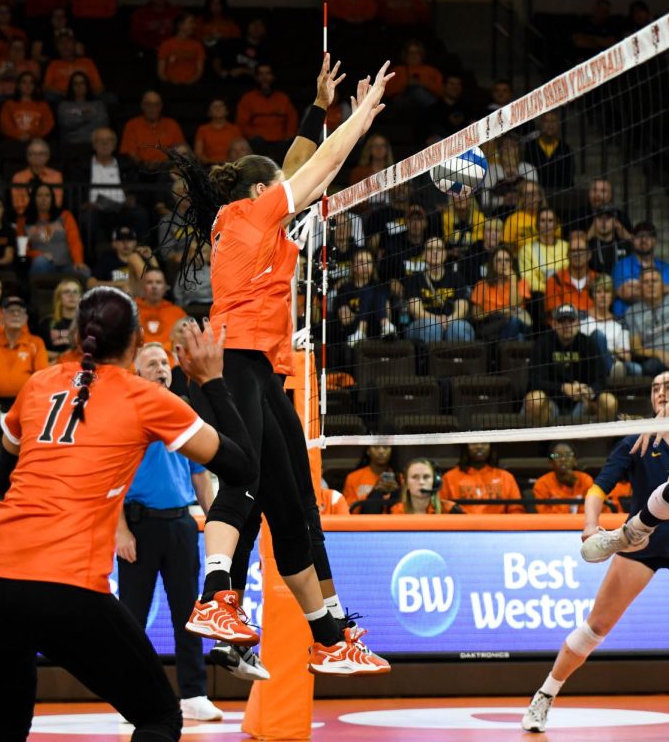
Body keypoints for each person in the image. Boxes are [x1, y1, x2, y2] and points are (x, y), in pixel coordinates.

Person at [167, 57, 394, 675]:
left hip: (264, 370)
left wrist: (319, 107)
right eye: (275, 187)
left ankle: (327, 636)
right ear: (256, 194)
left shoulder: (259, 218)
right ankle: (216, 601)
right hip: (233, 359)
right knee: (242, 481)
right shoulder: (244, 216)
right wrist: (361, 115)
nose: (284, 190)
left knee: (295, 504)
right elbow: (315, 170)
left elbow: (295, 166)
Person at [0, 285, 261, 742]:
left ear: (79, 335)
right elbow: (242, 467)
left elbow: (0, 480)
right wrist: (213, 381)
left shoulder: (39, 383)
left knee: (0, 726)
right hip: (66, 584)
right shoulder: (146, 397)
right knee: (159, 718)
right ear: (137, 344)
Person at [521, 371, 669, 733]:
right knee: (594, 628)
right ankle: (545, 695)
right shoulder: (638, 441)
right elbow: (598, 489)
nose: (662, 393)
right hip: (639, 545)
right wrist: (589, 525)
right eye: (655, 388)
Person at [115, 342, 223, 723]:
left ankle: (193, 693)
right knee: (132, 618)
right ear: (136, 372)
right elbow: (111, 479)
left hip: (180, 524)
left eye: (164, 362)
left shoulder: (183, 409)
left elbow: (200, 476)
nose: (161, 368)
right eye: (151, 363)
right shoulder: (125, 413)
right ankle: (132, 696)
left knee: (188, 614)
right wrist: (120, 530)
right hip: (138, 526)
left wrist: (216, 521)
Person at [531, 303, 619, 422]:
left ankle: (600, 441)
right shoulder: (542, 343)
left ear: (578, 323)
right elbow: (535, 381)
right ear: (554, 324)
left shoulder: (589, 344)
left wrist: (589, 391)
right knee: (534, 399)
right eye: (562, 321)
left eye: (571, 321)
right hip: (551, 401)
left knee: (609, 401)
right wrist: (563, 388)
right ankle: (543, 440)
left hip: (582, 402)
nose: (567, 325)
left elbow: (601, 379)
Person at [0, 296, 48, 418]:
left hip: (27, 402)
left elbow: (41, 377)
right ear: (1, 317)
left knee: (39, 416)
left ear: (26, 318)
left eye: (20, 311)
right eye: (11, 311)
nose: (16, 314)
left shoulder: (36, 343)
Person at [611, 221, 669, 316]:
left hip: (662, 321)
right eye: (639, 236)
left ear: (655, 241)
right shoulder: (622, 265)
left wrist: (658, 288)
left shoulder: (664, 267)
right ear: (633, 240)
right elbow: (626, 293)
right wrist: (664, 291)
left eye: (648, 236)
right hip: (626, 321)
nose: (643, 240)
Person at [403, 236, 474, 343]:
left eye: (439, 249)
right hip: (422, 323)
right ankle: (428, 359)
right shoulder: (415, 279)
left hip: (451, 322)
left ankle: (457, 359)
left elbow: (462, 308)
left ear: (445, 254)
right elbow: (417, 312)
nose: (435, 252)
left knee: (458, 328)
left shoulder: (456, 277)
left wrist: (449, 320)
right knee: (432, 328)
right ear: (423, 255)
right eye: (430, 249)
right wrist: (438, 320)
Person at [18, 183, 90, 278]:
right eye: (40, 195)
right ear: (33, 199)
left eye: (47, 195)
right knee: (40, 262)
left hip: (66, 265)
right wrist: (39, 254)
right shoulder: (23, 221)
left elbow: (74, 241)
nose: (44, 199)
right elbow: (22, 251)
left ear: (52, 198)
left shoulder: (65, 216)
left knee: (84, 272)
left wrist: (78, 261)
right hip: (42, 265)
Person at [439, 443, 523, 514]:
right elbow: (438, 508)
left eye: (484, 443)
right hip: (461, 530)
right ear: (466, 447)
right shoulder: (449, 477)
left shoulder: (506, 477)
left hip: (498, 530)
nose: (479, 446)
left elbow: (516, 511)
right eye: (473, 443)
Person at [470, 246, 531, 341]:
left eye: (507, 260)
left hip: (514, 325)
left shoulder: (521, 283)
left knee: (514, 322)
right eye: (499, 260)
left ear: (511, 263)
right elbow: (476, 315)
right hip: (492, 326)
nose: (503, 263)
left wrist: (513, 281)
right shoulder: (482, 285)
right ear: (492, 264)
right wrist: (501, 312)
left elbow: (514, 306)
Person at [532, 443, 594, 514]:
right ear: (550, 463)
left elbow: (589, 512)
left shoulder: (586, 480)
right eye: (557, 455)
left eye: (568, 455)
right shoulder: (542, 484)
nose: (563, 459)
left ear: (575, 461)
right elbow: (545, 515)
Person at [390, 458, 461, 514]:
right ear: (406, 483)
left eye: (426, 477)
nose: (421, 482)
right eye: (415, 477)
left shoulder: (450, 510)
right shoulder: (396, 511)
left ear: (435, 481)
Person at [0, 72, 54, 143]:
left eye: (31, 83)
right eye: (24, 82)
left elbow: (48, 124)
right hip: (14, 141)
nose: (28, 85)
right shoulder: (9, 104)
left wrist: (33, 135)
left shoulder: (43, 105)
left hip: (37, 142)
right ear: (18, 86)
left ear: (35, 86)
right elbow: (5, 125)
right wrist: (19, 135)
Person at [341, 444, 398, 510]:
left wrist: (397, 492)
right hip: (363, 519)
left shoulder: (400, 477)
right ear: (368, 450)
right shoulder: (353, 477)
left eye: (386, 447)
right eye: (376, 447)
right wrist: (374, 492)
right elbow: (348, 508)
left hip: (393, 519)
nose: (381, 451)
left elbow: (407, 508)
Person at [36, 278, 81, 359]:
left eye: (75, 292)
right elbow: (37, 351)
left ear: (80, 297)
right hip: (54, 365)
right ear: (59, 297)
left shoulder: (87, 323)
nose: (72, 295)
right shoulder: (47, 322)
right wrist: (61, 356)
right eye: (67, 292)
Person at [158, 15, 206, 87]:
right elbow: (161, 72)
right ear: (180, 25)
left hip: (192, 86)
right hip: (170, 86)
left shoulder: (197, 45)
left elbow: (199, 72)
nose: (194, 26)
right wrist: (169, 82)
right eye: (191, 22)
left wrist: (189, 83)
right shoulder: (166, 44)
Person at [194, 99, 243, 166]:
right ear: (209, 112)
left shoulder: (234, 129)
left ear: (226, 111)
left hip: (232, 165)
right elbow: (198, 153)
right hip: (209, 167)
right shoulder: (202, 130)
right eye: (215, 107)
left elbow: (240, 150)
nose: (218, 108)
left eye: (221, 106)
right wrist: (212, 163)